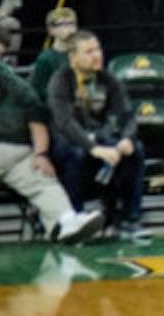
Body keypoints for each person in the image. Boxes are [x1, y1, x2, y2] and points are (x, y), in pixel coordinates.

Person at [0, 36, 102, 243]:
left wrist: (41, 154)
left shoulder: (14, 84)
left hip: (18, 156)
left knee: (44, 181)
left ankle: (66, 223)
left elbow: (36, 118)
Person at [45, 30, 145, 240]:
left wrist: (127, 138)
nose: (97, 55)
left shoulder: (109, 80)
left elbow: (127, 116)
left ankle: (130, 219)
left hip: (101, 138)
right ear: (73, 57)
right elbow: (64, 123)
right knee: (76, 154)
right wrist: (93, 148)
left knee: (135, 151)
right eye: (89, 51)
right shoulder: (60, 80)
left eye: (98, 49)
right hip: (70, 141)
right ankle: (77, 220)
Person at [25, 7, 78, 97]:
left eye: (71, 24)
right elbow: (38, 91)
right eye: (63, 24)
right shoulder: (46, 59)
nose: (69, 28)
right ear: (51, 30)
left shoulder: (80, 55)